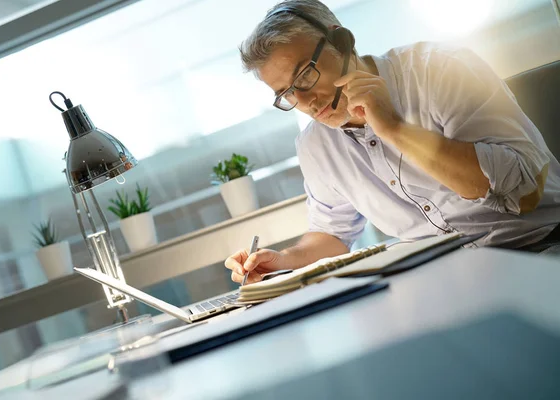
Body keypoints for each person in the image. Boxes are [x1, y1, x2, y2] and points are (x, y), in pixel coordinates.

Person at [225, 0, 560, 284]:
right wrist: (281, 260)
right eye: (286, 93)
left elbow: (525, 194)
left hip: (540, 250)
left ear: (342, 42)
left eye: (304, 75)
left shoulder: (439, 69)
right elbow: (331, 234)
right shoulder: (315, 146)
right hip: (447, 282)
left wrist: (395, 129)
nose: (306, 101)